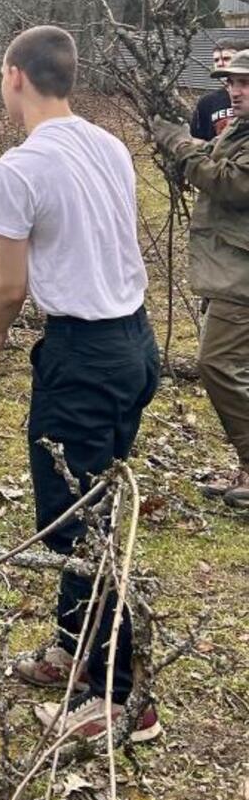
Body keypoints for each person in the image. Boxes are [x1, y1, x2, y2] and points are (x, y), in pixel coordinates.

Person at [0, 25, 161, 744]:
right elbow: (90, 235)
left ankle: (119, 700)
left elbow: (11, 286)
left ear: (15, 75)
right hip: (133, 347)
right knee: (95, 508)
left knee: (77, 528)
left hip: (82, 361)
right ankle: (72, 648)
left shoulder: (16, 169)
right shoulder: (107, 144)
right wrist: (22, 255)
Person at [153, 46, 249, 509]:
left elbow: (230, 182)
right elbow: (210, 158)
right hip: (228, 268)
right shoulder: (240, 128)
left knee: (216, 366)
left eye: (245, 83)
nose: (236, 90)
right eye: (231, 82)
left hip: (242, 278)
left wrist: (178, 142)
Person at [189, 40, 245, 142]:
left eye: (227, 58)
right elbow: (198, 139)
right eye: (216, 60)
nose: (220, 63)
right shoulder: (207, 102)